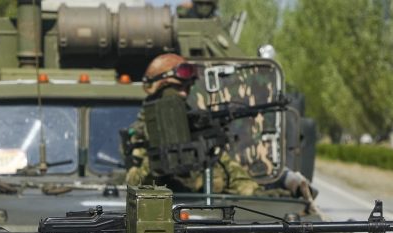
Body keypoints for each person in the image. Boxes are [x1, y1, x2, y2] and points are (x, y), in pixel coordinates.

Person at [124, 53, 313, 200]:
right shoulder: (143, 134)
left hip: (206, 212)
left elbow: (233, 175)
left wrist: (258, 195)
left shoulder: (195, 129)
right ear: (158, 88)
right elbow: (134, 182)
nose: (183, 95)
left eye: (188, 88)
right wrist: (162, 161)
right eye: (177, 88)